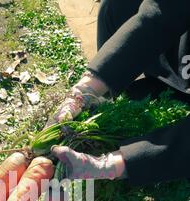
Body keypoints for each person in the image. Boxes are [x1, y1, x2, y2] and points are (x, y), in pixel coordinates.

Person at [50, 0, 190, 186]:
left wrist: (109, 165)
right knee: (118, 6)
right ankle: (101, 98)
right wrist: (85, 91)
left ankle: (114, 165)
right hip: (175, 61)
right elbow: (159, 14)